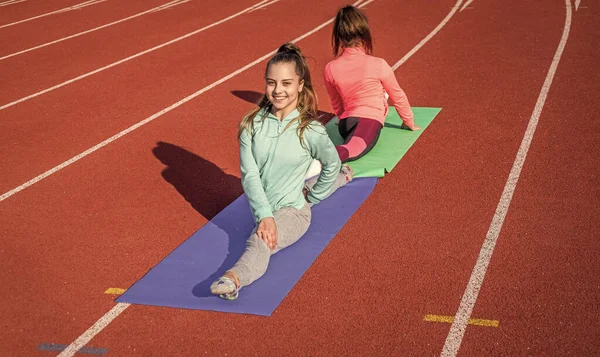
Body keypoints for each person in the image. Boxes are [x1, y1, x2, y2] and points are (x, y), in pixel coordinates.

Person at [210, 43, 353, 300]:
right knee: (290, 198)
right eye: (271, 83)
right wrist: (264, 214)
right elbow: (250, 175)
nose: (278, 91)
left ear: (300, 85)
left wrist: (315, 197)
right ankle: (338, 180)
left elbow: (331, 162)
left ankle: (234, 279)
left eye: (286, 83)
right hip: (268, 206)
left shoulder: (310, 130)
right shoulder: (250, 125)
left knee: (261, 240)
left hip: (295, 212)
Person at [324, 5, 420, 163]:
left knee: (352, 144)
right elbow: (397, 95)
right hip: (369, 121)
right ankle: (316, 163)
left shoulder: (330, 68)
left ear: (339, 38)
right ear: (364, 36)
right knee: (352, 150)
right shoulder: (378, 64)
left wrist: (342, 119)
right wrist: (409, 121)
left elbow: (336, 103)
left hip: (346, 125)